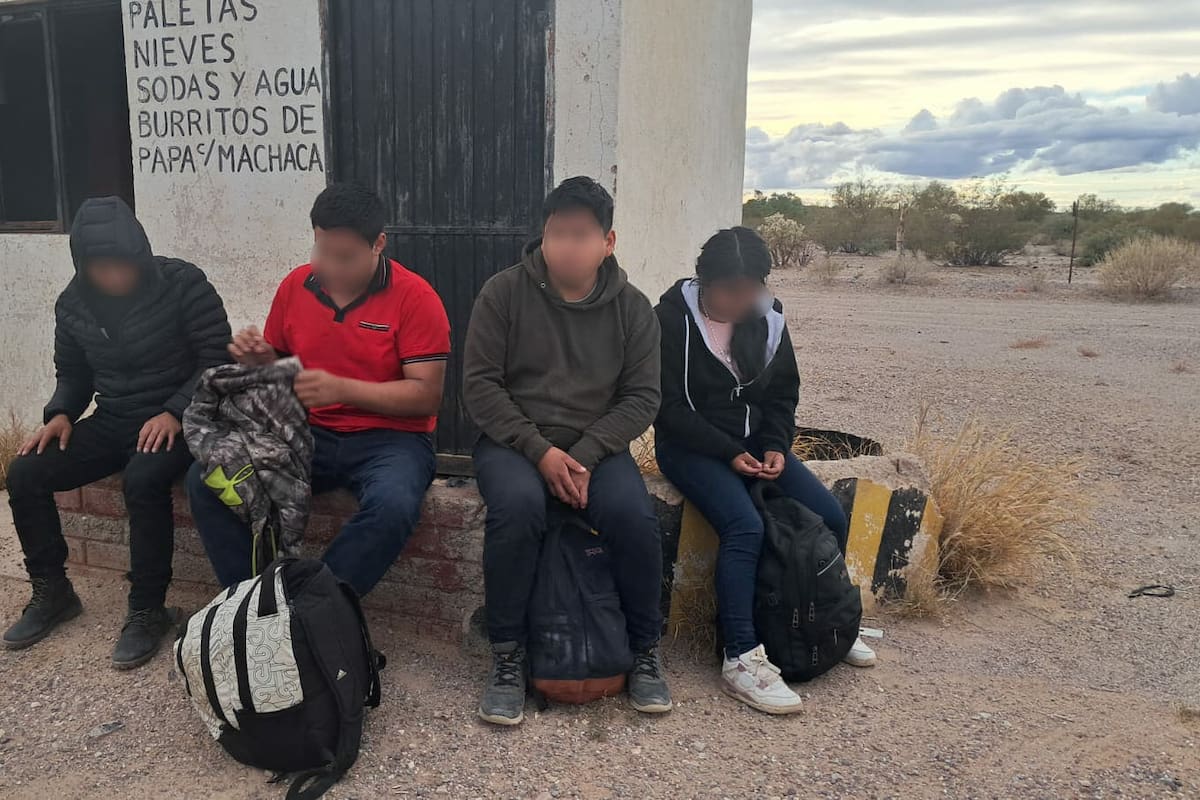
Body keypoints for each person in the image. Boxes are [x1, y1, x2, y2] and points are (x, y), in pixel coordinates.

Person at [463, 176, 667, 726]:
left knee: (632, 516)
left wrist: (586, 452)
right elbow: (480, 386)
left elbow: (643, 396)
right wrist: (539, 451)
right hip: (513, 443)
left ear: (608, 242)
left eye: (581, 235)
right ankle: (507, 655)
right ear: (543, 235)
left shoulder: (632, 308)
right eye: (556, 233)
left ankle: (644, 648)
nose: (566, 246)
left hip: (595, 448)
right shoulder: (503, 293)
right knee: (518, 509)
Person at [186, 183, 450, 597]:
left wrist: (343, 388)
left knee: (393, 506)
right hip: (310, 432)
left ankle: (309, 608)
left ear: (378, 243)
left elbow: (425, 395)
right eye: (321, 250)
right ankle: (252, 602)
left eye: (344, 256)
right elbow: (282, 364)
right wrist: (259, 359)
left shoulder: (416, 299)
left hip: (392, 440)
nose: (329, 266)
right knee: (208, 480)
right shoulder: (296, 287)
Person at [653, 226, 877, 716]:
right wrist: (728, 452)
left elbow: (782, 395)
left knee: (830, 516)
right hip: (691, 448)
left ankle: (830, 622)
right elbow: (666, 407)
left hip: (757, 447)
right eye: (730, 289)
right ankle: (742, 656)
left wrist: (777, 446)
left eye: (751, 287)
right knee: (744, 526)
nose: (741, 299)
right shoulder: (670, 320)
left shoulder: (768, 317)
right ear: (705, 282)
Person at [4, 197, 231, 668]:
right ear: (84, 266)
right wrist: (61, 412)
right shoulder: (73, 304)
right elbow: (72, 372)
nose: (114, 277)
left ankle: (148, 609)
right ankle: (53, 592)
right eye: (102, 268)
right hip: (114, 419)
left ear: (141, 255)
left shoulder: (183, 283)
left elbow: (217, 360)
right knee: (25, 472)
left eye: (122, 265)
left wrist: (173, 410)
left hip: (183, 420)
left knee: (144, 478)